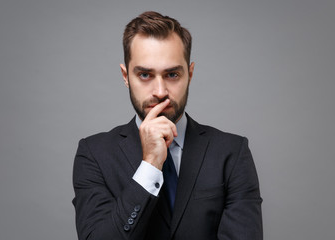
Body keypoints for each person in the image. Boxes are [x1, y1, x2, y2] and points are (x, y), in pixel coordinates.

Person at [72, 11, 263, 240]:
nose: (160, 92)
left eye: (172, 74)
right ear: (125, 76)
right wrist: (150, 165)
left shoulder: (232, 152)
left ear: (190, 74)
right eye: (144, 75)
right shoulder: (94, 154)